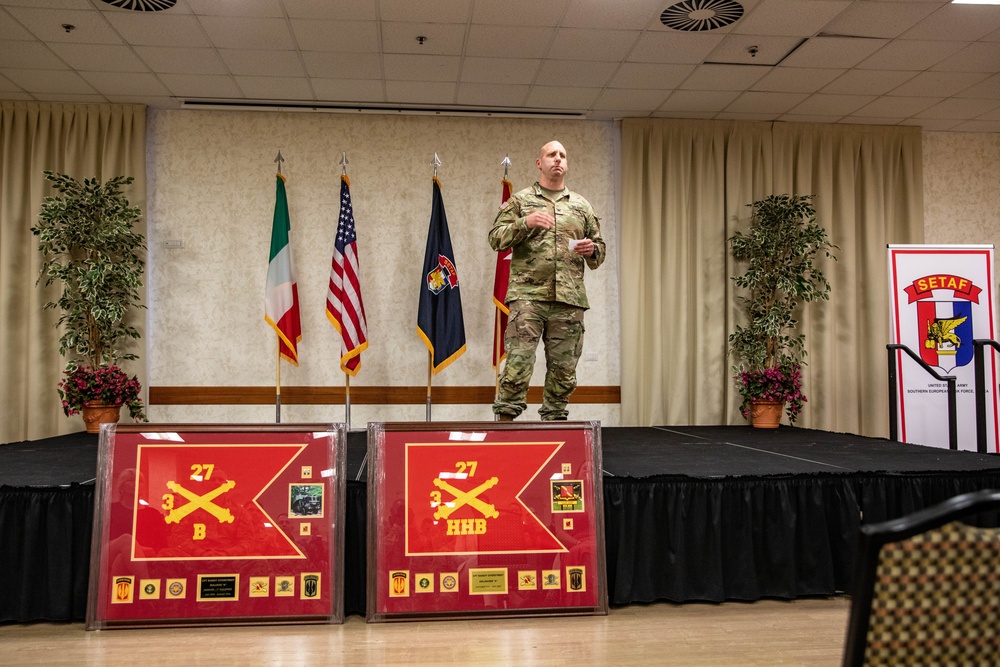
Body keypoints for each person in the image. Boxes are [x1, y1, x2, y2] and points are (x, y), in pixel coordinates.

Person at [489, 140, 606, 421]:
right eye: (551, 154)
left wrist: (593, 250)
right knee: (518, 364)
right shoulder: (521, 201)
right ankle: (504, 424)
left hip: (569, 300)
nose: (558, 159)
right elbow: (495, 238)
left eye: (563, 155)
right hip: (528, 298)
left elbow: (599, 252)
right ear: (539, 163)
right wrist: (524, 223)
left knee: (564, 369)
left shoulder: (581, 206)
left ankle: (556, 425)